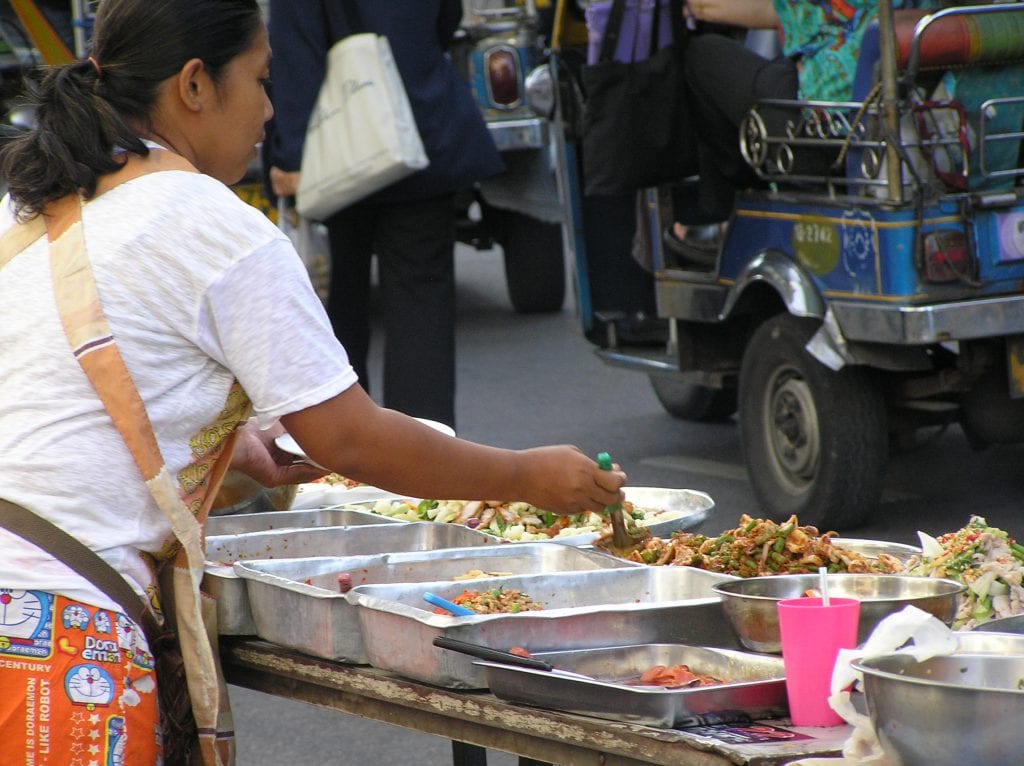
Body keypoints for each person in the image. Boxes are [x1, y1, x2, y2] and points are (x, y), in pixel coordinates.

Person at [0, 1, 626, 765]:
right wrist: (526, 475)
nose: (271, 109)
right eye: (262, 81)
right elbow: (350, 438)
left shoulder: (31, 205)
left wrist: (236, 447)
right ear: (195, 85)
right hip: (46, 638)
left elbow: (57, 408)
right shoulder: (211, 222)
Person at [266, 0, 504, 430]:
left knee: (334, 307)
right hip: (416, 126)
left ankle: (343, 453)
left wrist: (292, 154)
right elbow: (446, 17)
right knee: (421, 300)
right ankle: (426, 464)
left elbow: (295, 47)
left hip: (335, 140)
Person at [666, 0, 937, 263]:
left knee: (703, 55)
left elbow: (723, 6)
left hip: (826, 135)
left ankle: (728, 214)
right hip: (904, 124)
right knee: (775, 69)